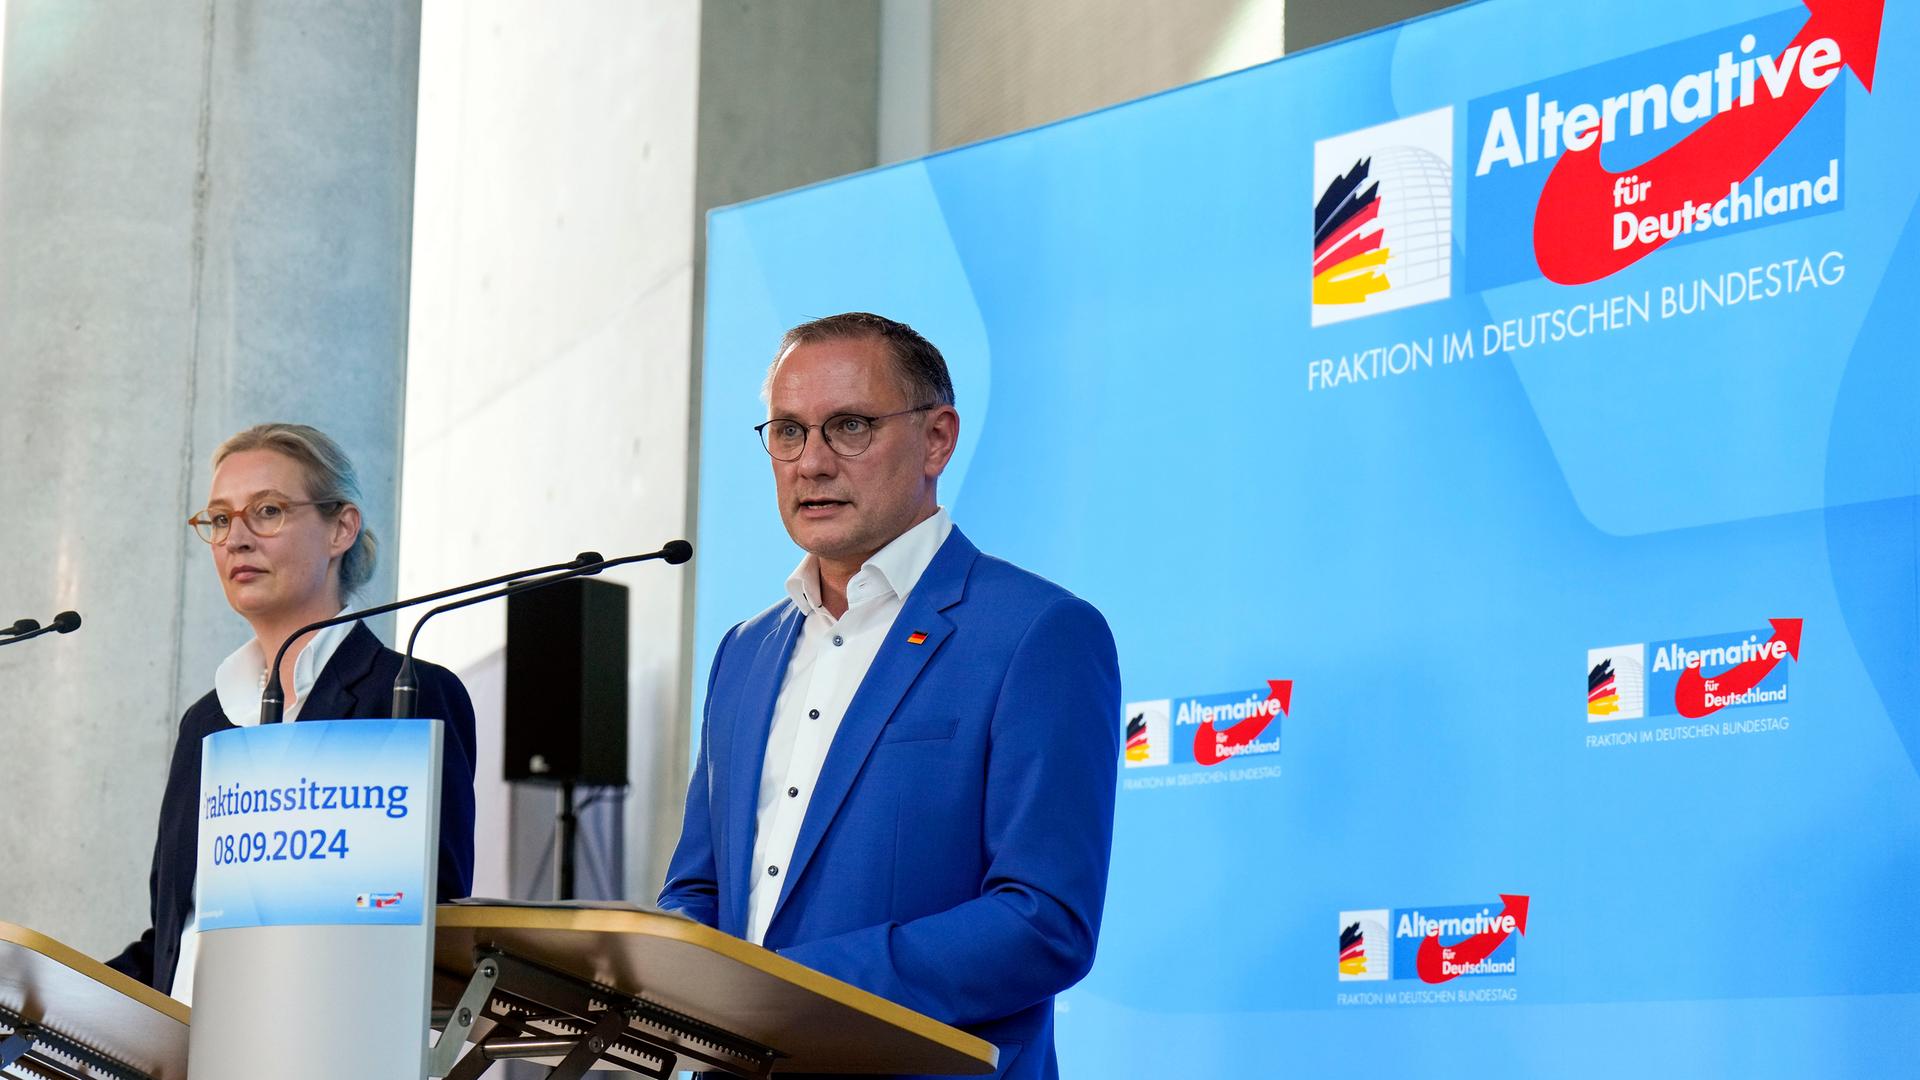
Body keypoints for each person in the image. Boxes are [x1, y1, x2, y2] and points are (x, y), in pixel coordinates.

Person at [660, 313, 1120, 1080]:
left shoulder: (1037, 634)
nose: (811, 463)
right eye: (787, 432)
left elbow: (1045, 922)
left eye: (848, 426)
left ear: (937, 439)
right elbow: (699, 887)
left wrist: (792, 994)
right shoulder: (743, 652)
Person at [106, 423, 477, 1002]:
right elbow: (177, 940)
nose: (236, 539)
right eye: (221, 519)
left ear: (341, 528)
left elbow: (435, 928)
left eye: (269, 511)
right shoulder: (205, 723)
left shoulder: (405, 695)